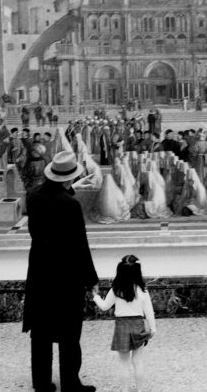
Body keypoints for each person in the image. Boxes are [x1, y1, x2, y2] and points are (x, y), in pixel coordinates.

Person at [23, 151, 98, 392]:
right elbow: (80, 244)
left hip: (39, 271)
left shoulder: (32, 196)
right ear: (68, 179)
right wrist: (91, 279)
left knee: (41, 332)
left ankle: (42, 383)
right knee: (68, 332)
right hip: (66, 274)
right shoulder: (70, 204)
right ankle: (70, 383)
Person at [93, 255, 157, 392]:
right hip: (138, 325)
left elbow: (104, 306)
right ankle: (140, 390)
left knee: (124, 363)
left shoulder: (115, 290)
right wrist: (153, 328)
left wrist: (96, 297)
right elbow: (149, 312)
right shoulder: (142, 291)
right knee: (138, 361)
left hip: (121, 326)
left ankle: (125, 390)